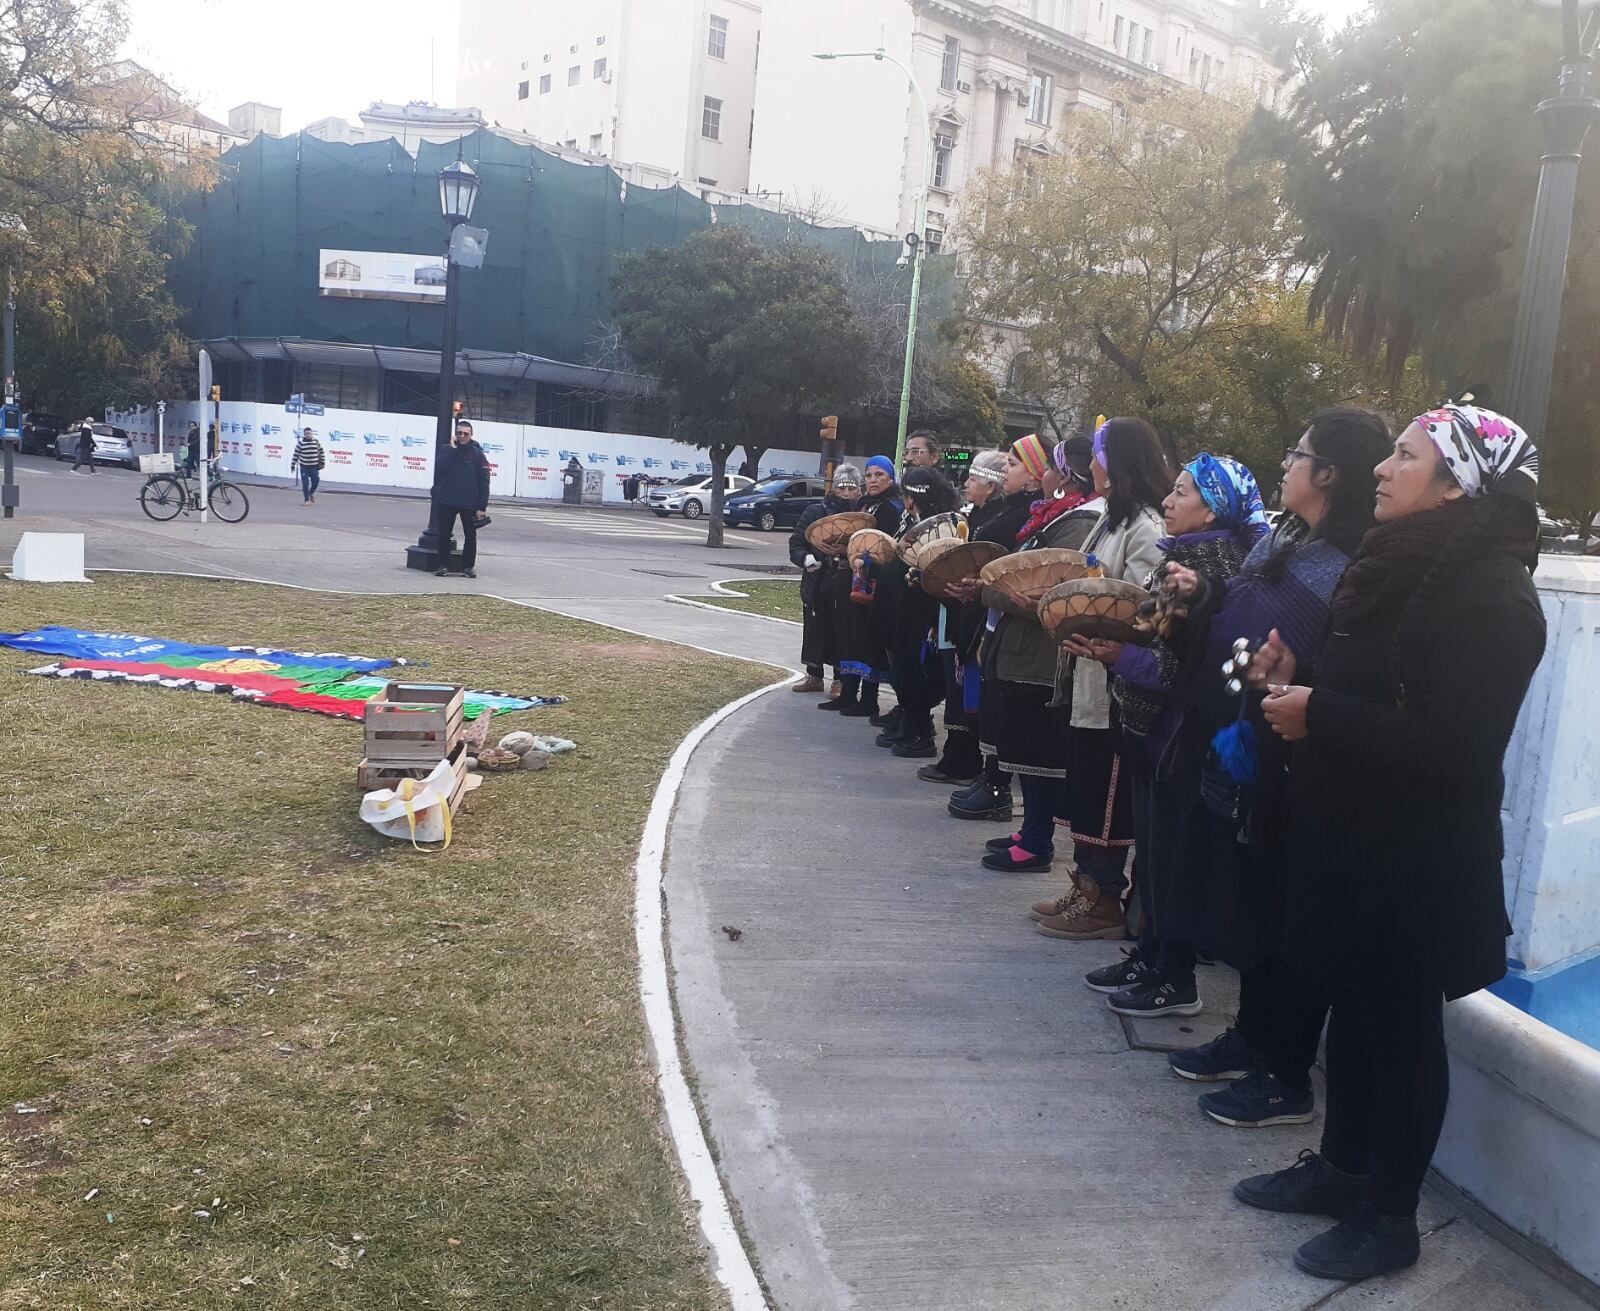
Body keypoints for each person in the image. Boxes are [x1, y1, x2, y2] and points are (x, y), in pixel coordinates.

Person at [1235, 404, 1545, 1282]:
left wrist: (1319, 711)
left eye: (1406, 457)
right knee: (1356, 1019)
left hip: (1417, 863)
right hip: (1354, 845)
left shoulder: (1492, 595)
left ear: (1457, 483)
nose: (1382, 467)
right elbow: (1381, 690)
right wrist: (1299, 680)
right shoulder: (1399, 564)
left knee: (1402, 1035)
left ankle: (1390, 1216)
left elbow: (1457, 744)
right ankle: (1340, 1171)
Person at [1151, 410, 1388, 1120]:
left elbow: (1342, 666)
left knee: (1286, 913)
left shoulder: (1351, 563)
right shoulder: (1284, 538)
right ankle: (1252, 1038)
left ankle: (1286, 1070)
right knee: (1251, 898)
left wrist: (1296, 677)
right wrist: (1203, 596)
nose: (1285, 464)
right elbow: (1243, 608)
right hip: (1241, 734)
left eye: (1298, 453)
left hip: (1294, 754)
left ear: (1329, 475)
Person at [1048, 453, 1268, 997]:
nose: (1168, 502)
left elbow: (1184, 671)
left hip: (1185, 739)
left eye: (1183, 493)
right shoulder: (1179, 562)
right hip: (1155, 735)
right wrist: (1112, 651)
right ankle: (1148, 956)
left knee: (1176, 861)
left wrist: (1120, 657)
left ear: (1214, 510)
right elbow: (1152, 642)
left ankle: (1174, 976)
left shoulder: (1215, 575)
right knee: (1156, 855)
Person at [1031, 418, 1167, 928]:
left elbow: (1139, 606)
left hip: (1118, 684)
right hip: (1088, 676)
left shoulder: (1146, 527)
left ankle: (1105, 895)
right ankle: (1086, 884)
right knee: (1087, 791)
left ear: (1119, 463)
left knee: (1107, 797)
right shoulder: (1113, 518)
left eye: (1098, 457)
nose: (1090, 465)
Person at [974, 433, 1100, 871]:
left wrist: (993, 591)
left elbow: (1044, 593)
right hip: (1021, 650)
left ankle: (1037, 840)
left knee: (1038, 752)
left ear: (1065, 477)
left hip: (1040, 658)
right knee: (1025, 750)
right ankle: (1031, 831)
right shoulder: (1052, 518)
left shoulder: (1077, 523)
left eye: (1050, 467)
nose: (1041, 473)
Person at [919, 450, 1010, 785]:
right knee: (958, 688)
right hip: (960, 611)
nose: (967, 484)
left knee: (969, 694)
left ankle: (968, 762)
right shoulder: (978, 515)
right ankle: (956, 756)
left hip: (977, 614)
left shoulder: (999, 520)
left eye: (973, 478)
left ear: (991, 484)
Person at [877, 465, 961, 757]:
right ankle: (910, 721)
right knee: (903, 668)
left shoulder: (939, 527)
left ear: (910, 498)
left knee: (915, 670)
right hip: (902, 608)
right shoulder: (916, 521)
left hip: (919, 611)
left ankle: (919, 732)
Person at [835, 455, 903, 720]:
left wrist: (864, 559)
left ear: (890, 478)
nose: (873, 480)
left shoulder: (891, 508)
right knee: (852, 637)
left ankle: (869, 700)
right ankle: (848, 693)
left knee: (870, 641)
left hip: (876, 583)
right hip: (855, 580)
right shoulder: (864, 504)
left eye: (879, 475)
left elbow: (887, 549)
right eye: (869, 475)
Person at [791, 465, 864, 696]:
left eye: (851, 488)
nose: (845, 492)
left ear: (858, 491)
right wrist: (807, 558)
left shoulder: (864, 516)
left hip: (847, 582)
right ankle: (814, 675)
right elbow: (797, 543)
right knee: (814, 630)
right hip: (817, 581)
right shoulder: (815, 511)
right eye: (841, 487)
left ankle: (840, 679)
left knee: (842, 632)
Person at [432, 419, 491, 579]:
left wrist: (482, 507)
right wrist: (452, 449)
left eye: (466, 433)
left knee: (470, 536)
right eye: (459, 433)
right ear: (455, 434)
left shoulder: (477, 453)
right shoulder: (447, 450)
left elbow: (484, 480)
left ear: (471, 435)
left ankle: (468, 566)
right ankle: (443, 565)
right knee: (444, 534)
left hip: (469, 502)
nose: (462, 436)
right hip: (447, 499)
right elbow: (440, 469)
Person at [291, 426, 326, 504]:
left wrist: (323, 462)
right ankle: (306, 500)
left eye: (309, 433)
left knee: (315, 483)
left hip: (314, 468)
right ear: (304, 434)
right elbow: (296, 454)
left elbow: (321, 452)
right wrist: (292, 464)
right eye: (306, 433)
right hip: (304, 468)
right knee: (305, 484)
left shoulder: (316, 442)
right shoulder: (300, 444)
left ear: (312, 434)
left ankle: (310, 494)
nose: (308, 435)